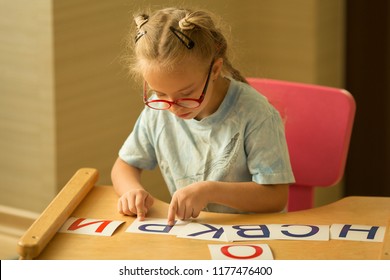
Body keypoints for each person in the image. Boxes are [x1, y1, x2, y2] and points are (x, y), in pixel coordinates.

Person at [111, 7, 295, 226]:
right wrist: (132, 192)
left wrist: (210, 191)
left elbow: (275, 196)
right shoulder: (157, 112)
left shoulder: (256, 115)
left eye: (186, 94)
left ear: (215, 70)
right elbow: (124, 167)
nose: (174, 108)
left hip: (253, 238)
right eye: (159, 93)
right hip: (195, 237)